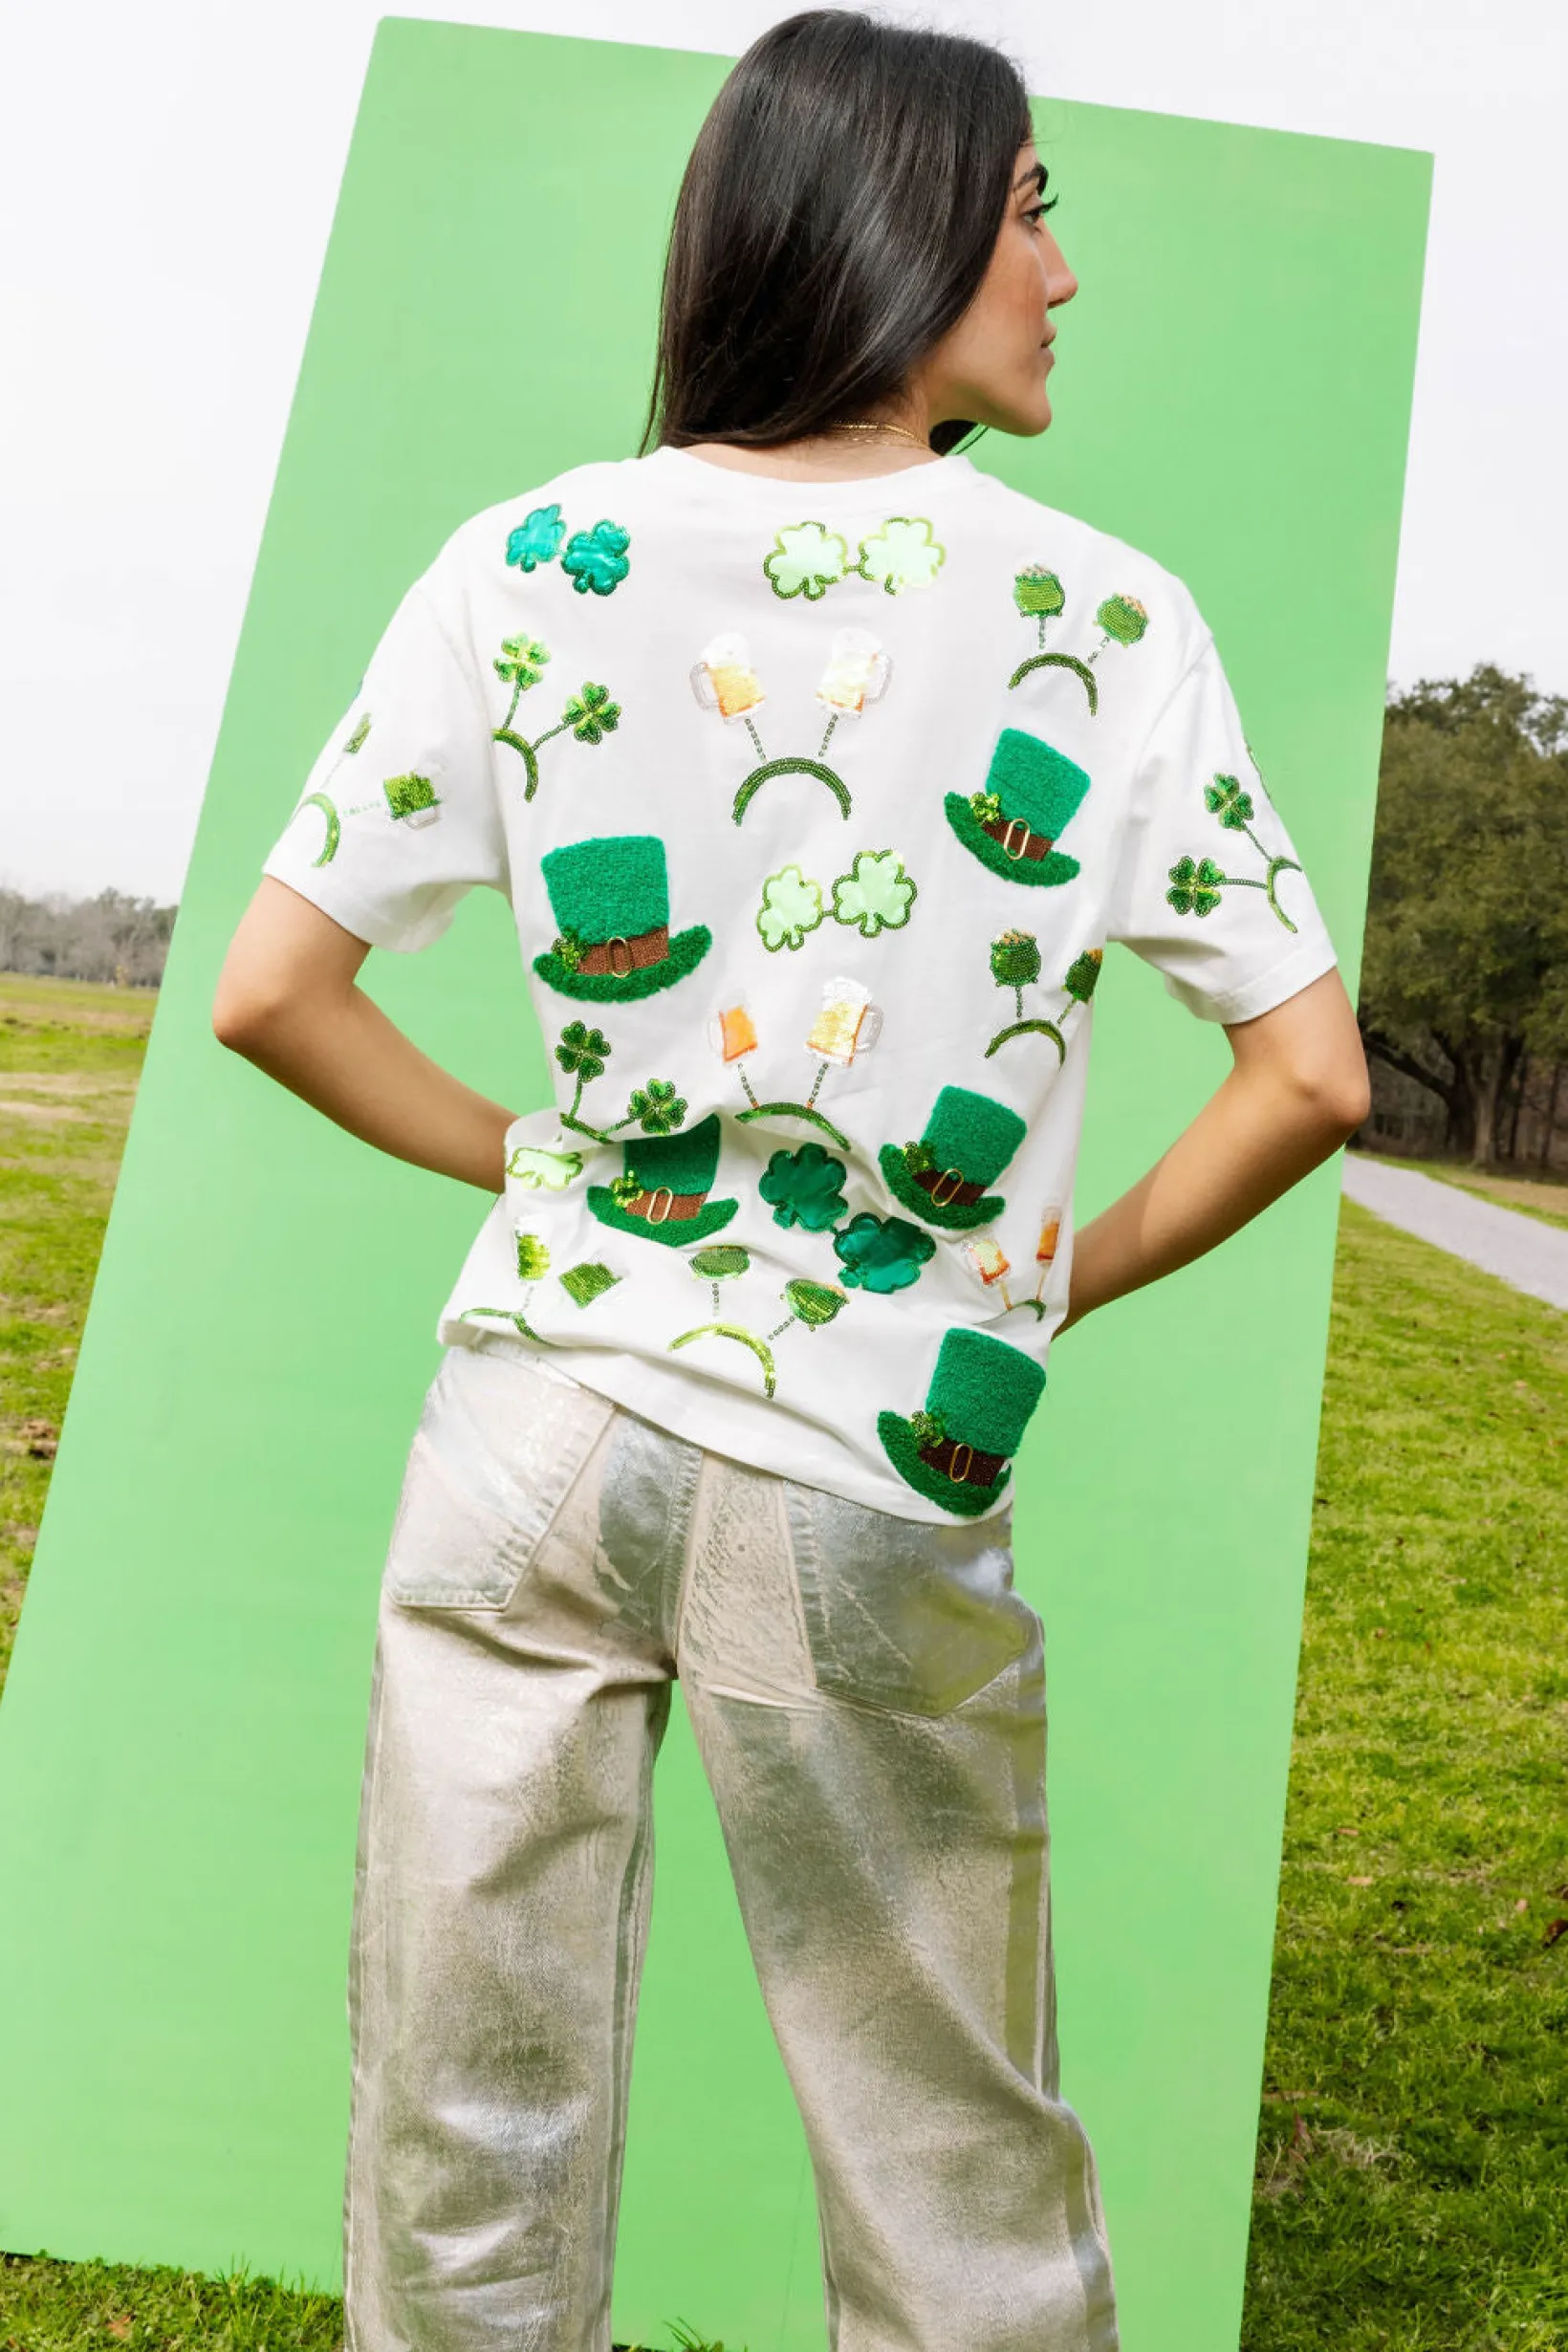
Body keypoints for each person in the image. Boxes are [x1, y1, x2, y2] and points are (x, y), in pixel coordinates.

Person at [213, 12, 1369, 2350]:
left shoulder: (528, 556)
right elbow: (1314, 1076)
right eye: (1033, 206)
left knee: (461, 2139)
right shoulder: (1109, 618)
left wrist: (533, 1158)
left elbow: (267, 993)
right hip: (859, 1452)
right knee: (949, 2171)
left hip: (525, 1424)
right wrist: (1049, 1285)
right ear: (906, 219)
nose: (1064, 269)